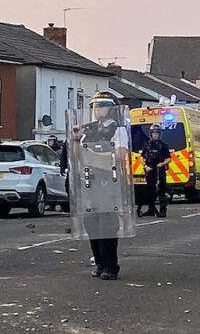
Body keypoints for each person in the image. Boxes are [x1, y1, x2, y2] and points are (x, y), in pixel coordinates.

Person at [69, 93, 133, 281]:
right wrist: (75, 140)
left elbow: (120, 154)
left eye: (102, 106)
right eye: (95, 107)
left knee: (107, 225)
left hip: (109, 181)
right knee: (91, 224)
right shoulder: (87, 130)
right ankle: (99, 262)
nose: (98, 110)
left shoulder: (117, 129)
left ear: (111, 109)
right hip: (89, 180)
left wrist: (94, 157)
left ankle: (111, 265)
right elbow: (77, 156)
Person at [137, 124, 171, 218]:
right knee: (150, 191)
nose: (155, 135)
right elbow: (141, 157)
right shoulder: (147, 145)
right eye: (154, 133)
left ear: (160, 134)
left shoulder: (163, 146)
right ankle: (151, 210)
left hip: (160, 170)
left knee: (161, 190)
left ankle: (163, 211)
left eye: (157, 133)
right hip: (150, 170)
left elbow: (168, 158)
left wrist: (162, 164)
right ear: (151, 134)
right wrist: (145, 166)